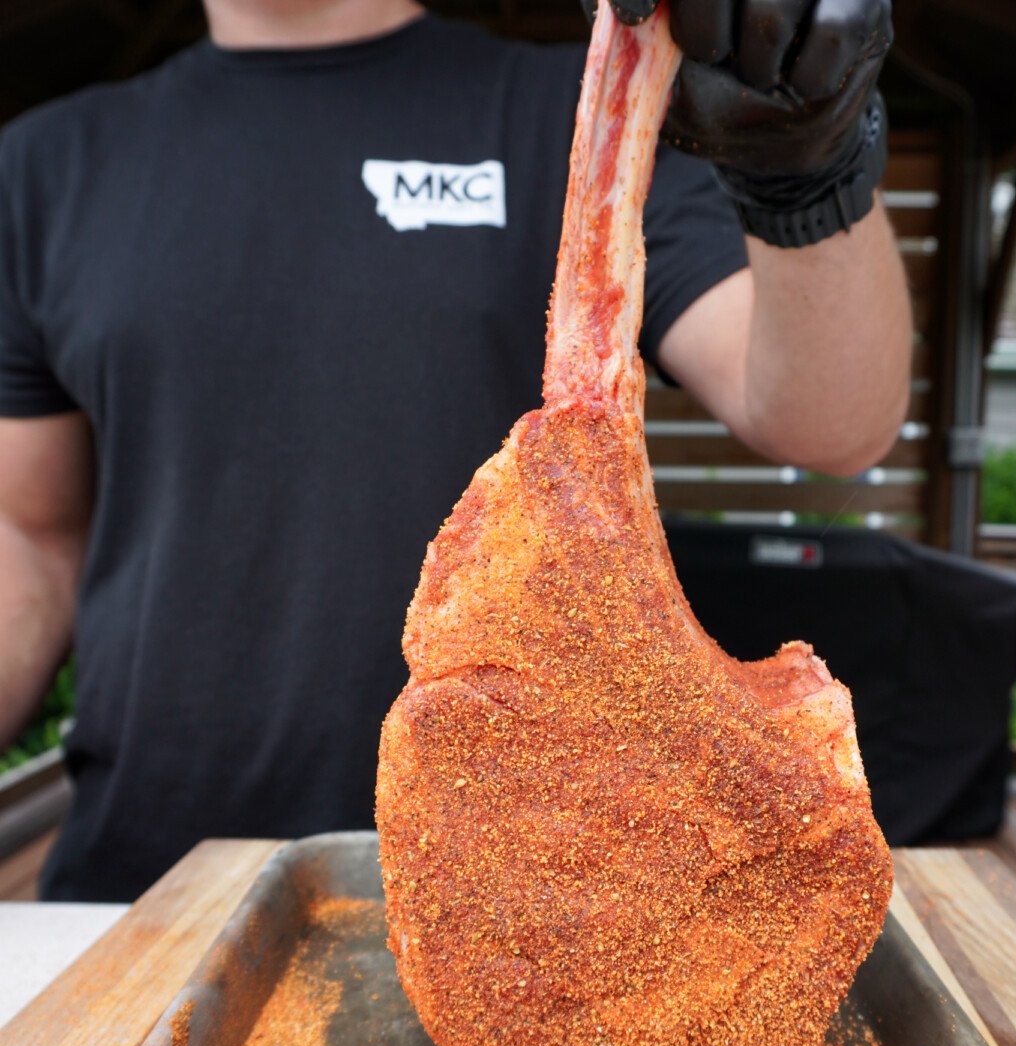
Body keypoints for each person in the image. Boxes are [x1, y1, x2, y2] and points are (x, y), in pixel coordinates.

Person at [0, 0, 911, 901]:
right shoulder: (44, 167)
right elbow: (30, 539)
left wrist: (807, 175)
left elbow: (830, 423)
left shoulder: (578, 104)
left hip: (518, 893)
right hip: (143, 882)